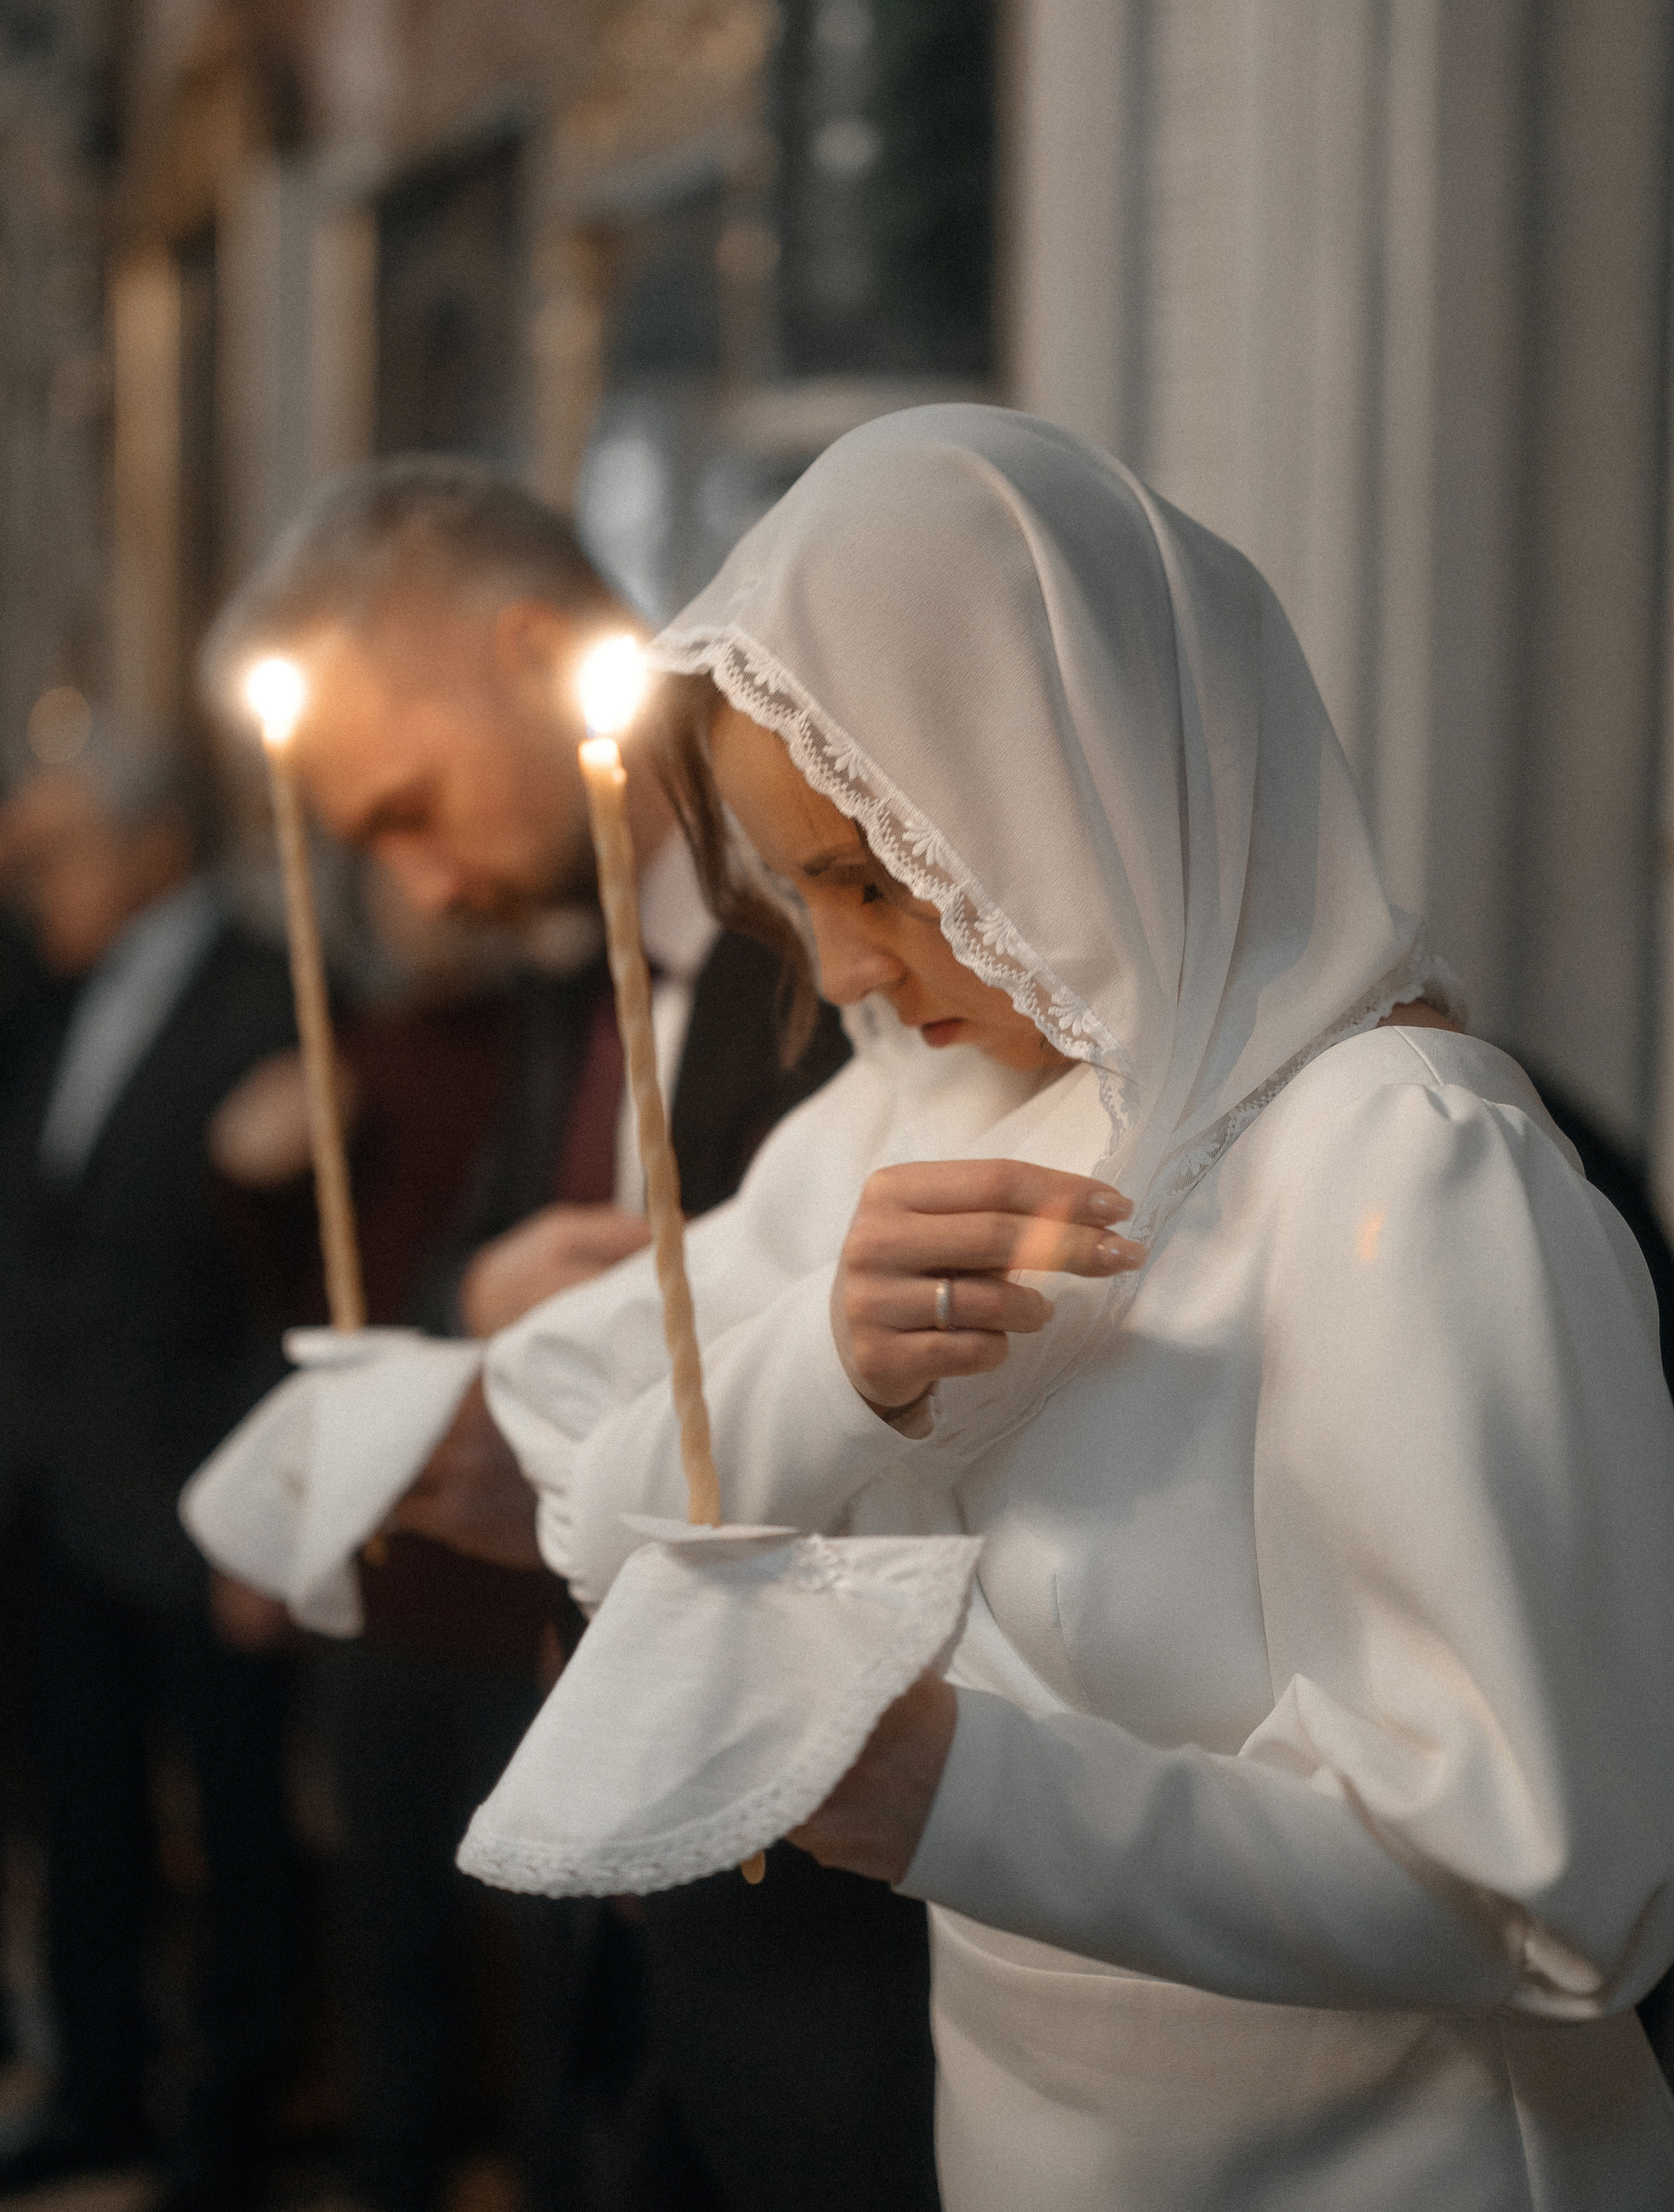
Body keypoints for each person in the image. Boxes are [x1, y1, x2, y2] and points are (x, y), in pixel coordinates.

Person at [481, 405, 1674, 2210]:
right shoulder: (932, 1101)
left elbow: (1555, 1881)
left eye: (876, 878)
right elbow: (590, 1499)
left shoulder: (1403, 1168)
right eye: (796, 894)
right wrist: (826, 1373)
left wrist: (966, 1794)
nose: (847, 967)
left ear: (1063, 780)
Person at [201, 458, 931, 2212]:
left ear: (534, 656)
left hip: (853, 1960)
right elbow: (488, 1286)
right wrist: (482, 1332)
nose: (422, 887)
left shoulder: (859, 950)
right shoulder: (560, 972)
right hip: (634, 1932)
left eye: (407, 808)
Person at [0, 743, 302, 2209]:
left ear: (151, 851)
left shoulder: (272, 992)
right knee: (89, 1818)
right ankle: (99, 2090)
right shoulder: (62, 995)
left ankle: (229, 2121)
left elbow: (286, 1291)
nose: (27, 873)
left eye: (56, 849)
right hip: (61, 1495)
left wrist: (270, 1516)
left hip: (202, 1499)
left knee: (237, 1827)